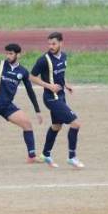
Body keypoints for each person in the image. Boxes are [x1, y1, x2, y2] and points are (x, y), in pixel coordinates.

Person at [29, 32, 84, 169]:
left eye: (53, 44)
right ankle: (72, 157)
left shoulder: (64, 56)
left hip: (61, 96)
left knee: (56, 126)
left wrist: (66, 84)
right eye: (49, 44)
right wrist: (49, 86)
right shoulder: (43, 60)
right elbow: (32, 77)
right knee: (75, 124)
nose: (51, 46)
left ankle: (45, 154)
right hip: (51, 98)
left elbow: (60, 74)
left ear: (61, 43)